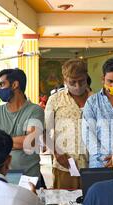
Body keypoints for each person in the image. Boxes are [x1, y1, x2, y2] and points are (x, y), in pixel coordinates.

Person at [0, 69, 45, 181]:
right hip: (2, 178)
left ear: (15, 85)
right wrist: (19, 141)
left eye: (2, 84)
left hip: (29, 178)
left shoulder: (35, 110)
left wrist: (0, 141)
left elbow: (30, 142)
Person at [45, 59, 91, 189]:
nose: (77, 86)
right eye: (72, 82)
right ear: (65, 80)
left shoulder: (96, 100)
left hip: (93, 165)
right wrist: (56, 153)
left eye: (81, 81)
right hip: (65, 165)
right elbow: (46, 131)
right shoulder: (55, 100)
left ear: (86, 77)